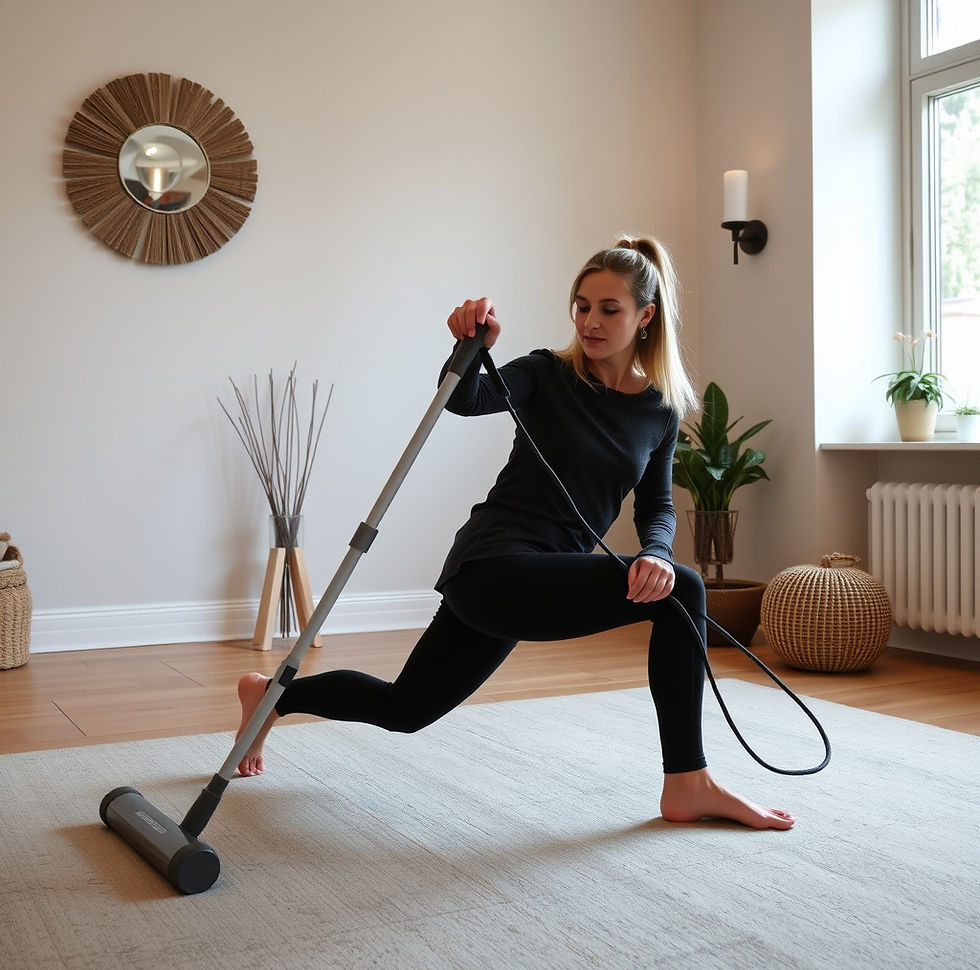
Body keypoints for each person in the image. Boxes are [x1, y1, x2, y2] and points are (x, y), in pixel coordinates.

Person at [235, 236, 795, 830]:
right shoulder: (544, 373)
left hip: (545, 576)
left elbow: (657, 506)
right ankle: (689, 782)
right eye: (582, 305)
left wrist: (656, 551)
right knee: (685, 592)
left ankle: (271, 694)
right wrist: (470, 345)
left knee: (405, 708)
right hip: (494, 565)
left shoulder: (658, 411)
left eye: (610, 308)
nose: (591, 321)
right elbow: (466, 401)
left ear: (645, 316)